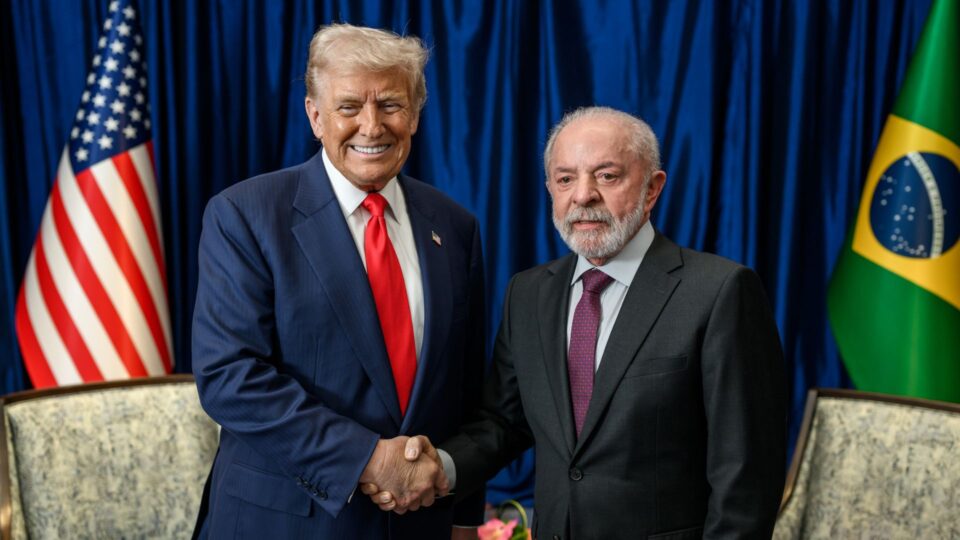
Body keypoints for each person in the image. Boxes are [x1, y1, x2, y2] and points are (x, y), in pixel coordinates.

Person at [367, 106, 787, 539]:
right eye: (566, 178)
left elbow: (746, 479)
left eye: (607, 176)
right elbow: (503, 423)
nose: (583, 195)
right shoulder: (528, 294)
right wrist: (440, 467)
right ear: (550, 188)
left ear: (652, 188)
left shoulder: (719, 292)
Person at [191, 23, 486, 539]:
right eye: (349, 106)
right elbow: (230, 376)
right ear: (315, 116)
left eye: (391, 105)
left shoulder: (454, 226)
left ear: (415, 115)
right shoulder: (244, 215)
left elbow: (465, 388)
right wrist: (368, 458)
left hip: (421, 526)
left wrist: (463, 518)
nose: (371, 126)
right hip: (285, 524)